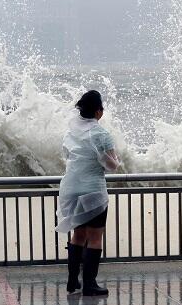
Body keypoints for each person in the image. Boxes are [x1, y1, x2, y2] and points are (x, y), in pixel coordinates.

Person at [55, 90, 120, 296]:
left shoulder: (70, 132)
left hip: (71, 188)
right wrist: (117, 161)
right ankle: (90, 284)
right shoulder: (101, 134)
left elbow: (67, 154)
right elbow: (111, 165)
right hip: (93, 191)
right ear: (98, 111)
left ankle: (73, 281)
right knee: (94, 237)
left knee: (77, 234)